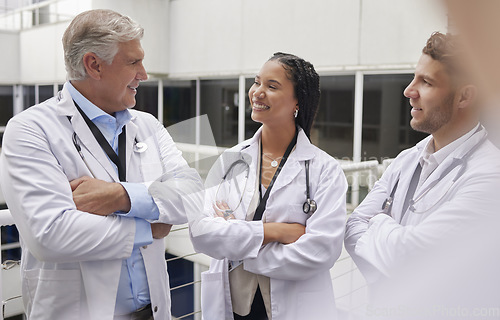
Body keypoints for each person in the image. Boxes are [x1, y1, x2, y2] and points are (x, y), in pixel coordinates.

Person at [0, 9, 202, 320]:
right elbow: (50, 234)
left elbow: (192, 193)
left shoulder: (147, 125)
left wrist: (121, 197)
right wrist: (149, 225)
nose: (144, 73)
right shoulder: (30, 129)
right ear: (94, 65)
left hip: (154, 312)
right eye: (133, 62)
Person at [344, 32, 500, 318]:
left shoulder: (490, 176)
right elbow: (353, 226)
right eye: (414, 77)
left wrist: (378, 221)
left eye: (425, 82)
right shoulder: (407, 159)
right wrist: (397, 252)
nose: (408, 90)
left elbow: (412, 259)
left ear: (465, 96)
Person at [188, 52, 347, 320]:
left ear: (298, 101)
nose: (258, 93)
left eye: (272, 87)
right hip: (235, 308)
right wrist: (275, 232)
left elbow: (321, 251)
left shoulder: (325, 170)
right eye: (256, 83)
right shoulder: (232, 161)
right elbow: (201, 232)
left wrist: (240, 252)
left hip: (295, 308)